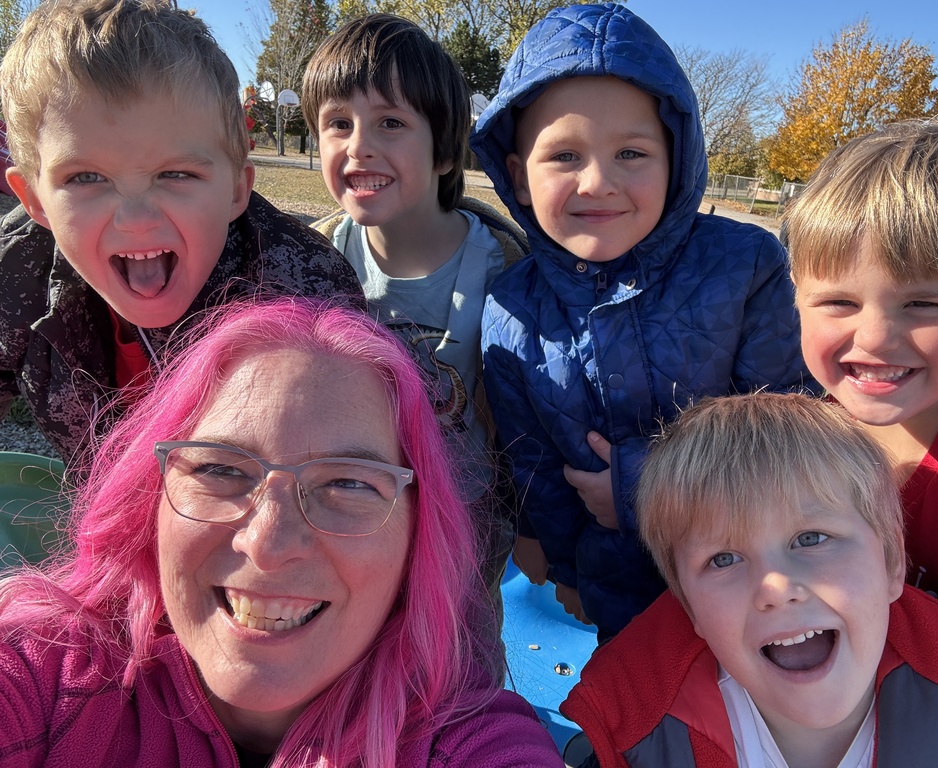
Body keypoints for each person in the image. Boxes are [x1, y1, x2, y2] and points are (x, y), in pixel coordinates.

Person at [0, 298, 565, 767]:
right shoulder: (47, 675)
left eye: (348, 483)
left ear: (418, 536)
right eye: (220, 469)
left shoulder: (465, 745)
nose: (268, 546)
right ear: (148, 497)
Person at [470, 2, 809, 638]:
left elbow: (786, 430)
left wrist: (638, 487)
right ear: (517, 178)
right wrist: (562, 561)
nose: (598, 181)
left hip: (753, 578)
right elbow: (534, 460)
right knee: (636, 719)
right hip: (615, 585)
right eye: (565, 156)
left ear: (676, 159)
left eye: (631, 152)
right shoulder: (510, 305)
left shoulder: (747, 267)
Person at [562, 392, 938, 767]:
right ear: (690, 608)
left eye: (811, 538)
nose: (776, 588)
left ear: (890, 564)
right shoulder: (637, 735)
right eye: (724, 559)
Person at [0, 0, 363, 467]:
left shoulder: (308, 292)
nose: (134, 217)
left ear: (237, 190)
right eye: (86, 178)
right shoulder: (16, 272)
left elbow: (344, 472)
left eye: (176, 174)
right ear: (33, 200)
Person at [302, 13, 527, 597]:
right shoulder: (311, 264)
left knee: (461, 669)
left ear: (445, 152)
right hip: (350, 520)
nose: (359, 148)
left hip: (469, 523)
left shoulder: (508, 268)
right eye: (338, 123)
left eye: (391, 122)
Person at [784, 120, 938, 650]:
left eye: (923, 304)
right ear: (798, 294)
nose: (874, 339)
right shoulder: (797, 438)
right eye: (839, 302)